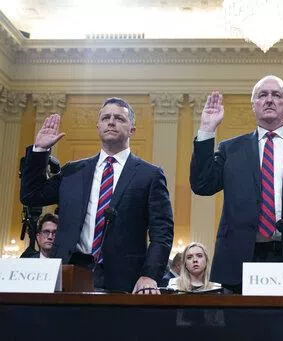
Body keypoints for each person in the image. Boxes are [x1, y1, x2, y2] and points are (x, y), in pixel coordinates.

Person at [190, 75, 283, 292]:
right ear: (254, 105)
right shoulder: (230, 149)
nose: (269, 100)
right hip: (241, 260)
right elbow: (202, 185)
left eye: (277, 95)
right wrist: (206, 130)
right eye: (262, 95)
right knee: (243, 325)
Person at [20, 97, 174, 294]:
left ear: (132, 130)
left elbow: (162, 233)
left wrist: (150, 275)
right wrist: (40, 150)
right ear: (98, 126)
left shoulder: (149, 175)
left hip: (125, 281)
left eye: (119, 118)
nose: (111, 121)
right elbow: (31, 195)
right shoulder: (72, 171)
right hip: (69, 273)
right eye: (105, 118)